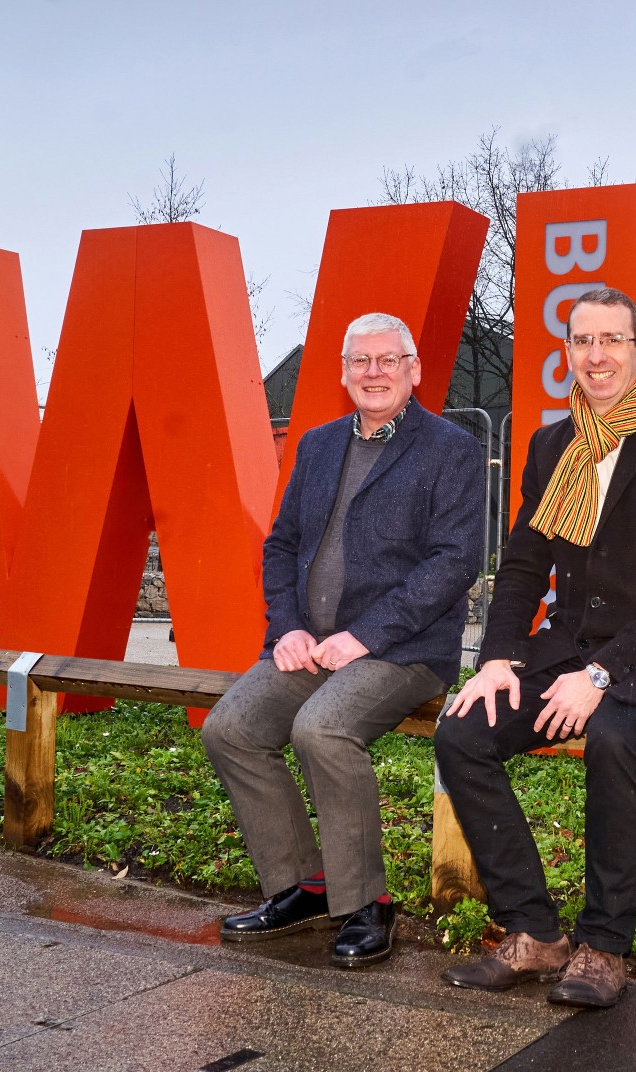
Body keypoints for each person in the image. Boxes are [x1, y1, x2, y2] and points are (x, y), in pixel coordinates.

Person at [435, 287, 636, 1008]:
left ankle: (603, 945)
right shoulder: (552, 444)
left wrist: (601, 673)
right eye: (582, 341)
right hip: (564, 651)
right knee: (462, 734)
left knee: (609, 738)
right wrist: (501, 657)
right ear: (568, 351)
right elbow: (524, 563)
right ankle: (535, 931)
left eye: (611, 340)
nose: (595, 356)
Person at [201, 312, 484, 968]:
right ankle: (305, 886)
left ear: (414, 371)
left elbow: (452, 563)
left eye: (390, 360)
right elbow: (282, 547)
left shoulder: (451, 450)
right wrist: (288, 628)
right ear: (343, 373)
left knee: (321, 730)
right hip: (313, 643)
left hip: (404, 649)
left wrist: (364, 635)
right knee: (231, 730)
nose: (375, 372)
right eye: (362, 361)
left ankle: (368, 904)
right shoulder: (320, 444)